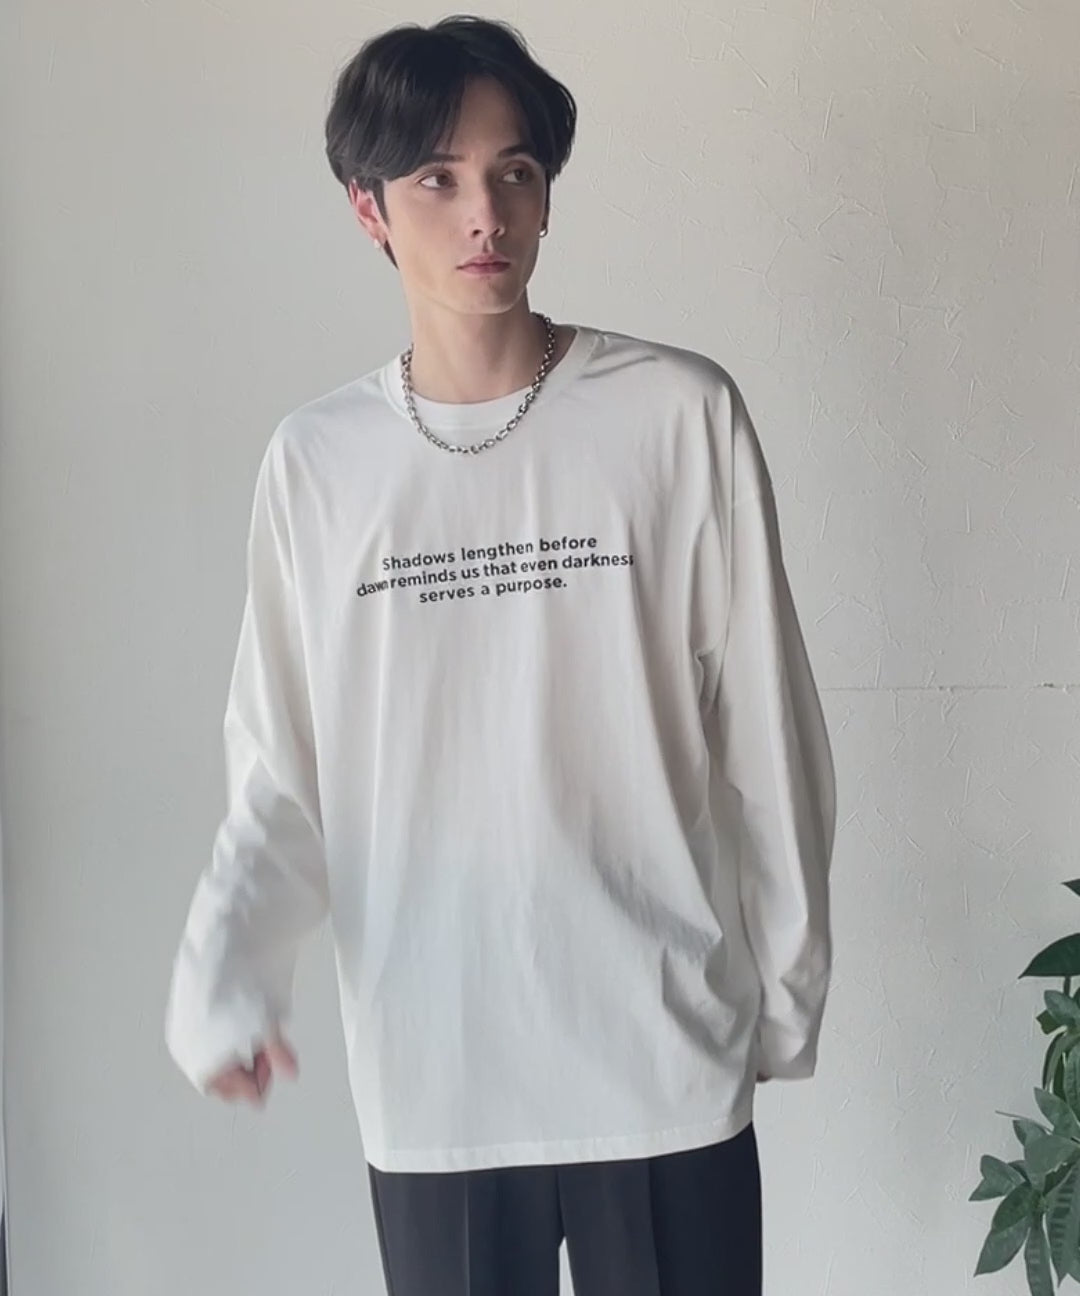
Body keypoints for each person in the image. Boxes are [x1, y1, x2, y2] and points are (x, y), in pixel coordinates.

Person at [164, 14, 837, 1296]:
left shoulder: (677, 415)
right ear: (367, 208)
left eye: (514, 171)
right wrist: (227, 977)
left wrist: (785, 993)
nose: (486, 213)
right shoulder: (318, 466)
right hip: (438, 1081)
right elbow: (282, 775)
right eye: (438, 177)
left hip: (661, 1058)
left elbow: (770, 733)